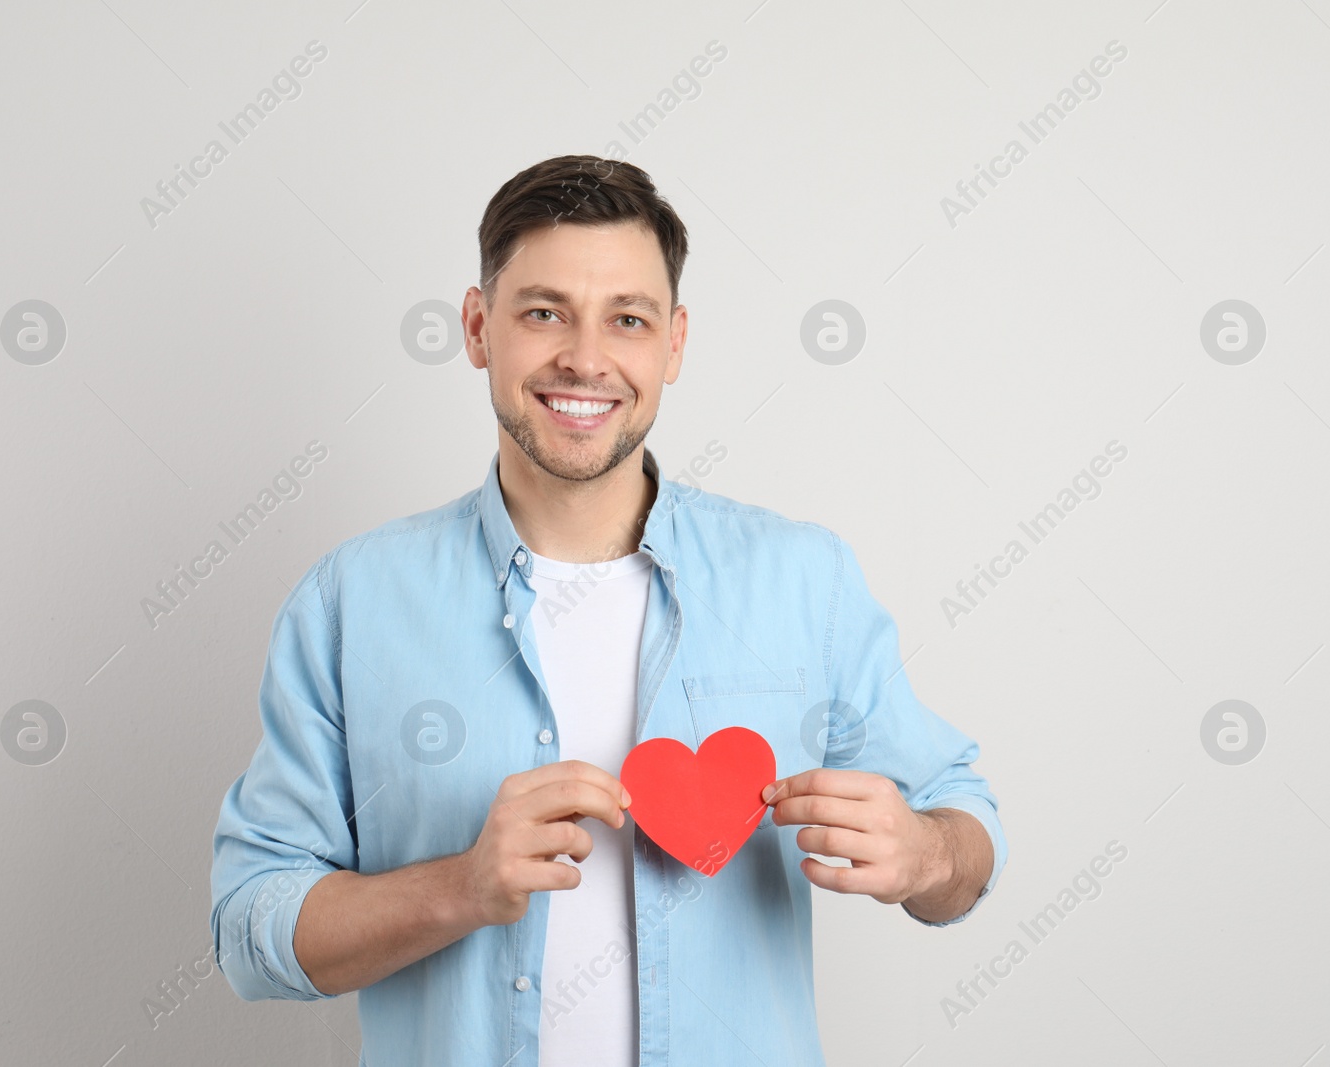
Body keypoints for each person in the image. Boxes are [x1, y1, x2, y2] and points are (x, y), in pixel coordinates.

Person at [209, 154, 1006, 1066]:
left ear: (672, 343)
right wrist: (462, 886)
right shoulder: (351, 602)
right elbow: (247, 929)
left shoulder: (803, 580)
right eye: (543, 311)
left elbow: (965, 824)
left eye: (626, 319)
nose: (585, 359)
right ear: (478, 328)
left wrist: (927, 857)